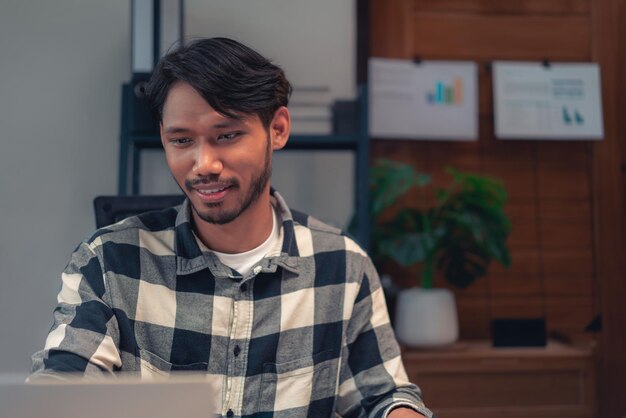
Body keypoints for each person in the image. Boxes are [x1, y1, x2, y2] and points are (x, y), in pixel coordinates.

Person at [31, 37, 433, 418]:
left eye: (227, 135)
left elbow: (383, 394)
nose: (203, 164)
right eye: (182, 140)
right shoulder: (111, 261)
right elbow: (65, 383)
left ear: (277, 129)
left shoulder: (341, 265)